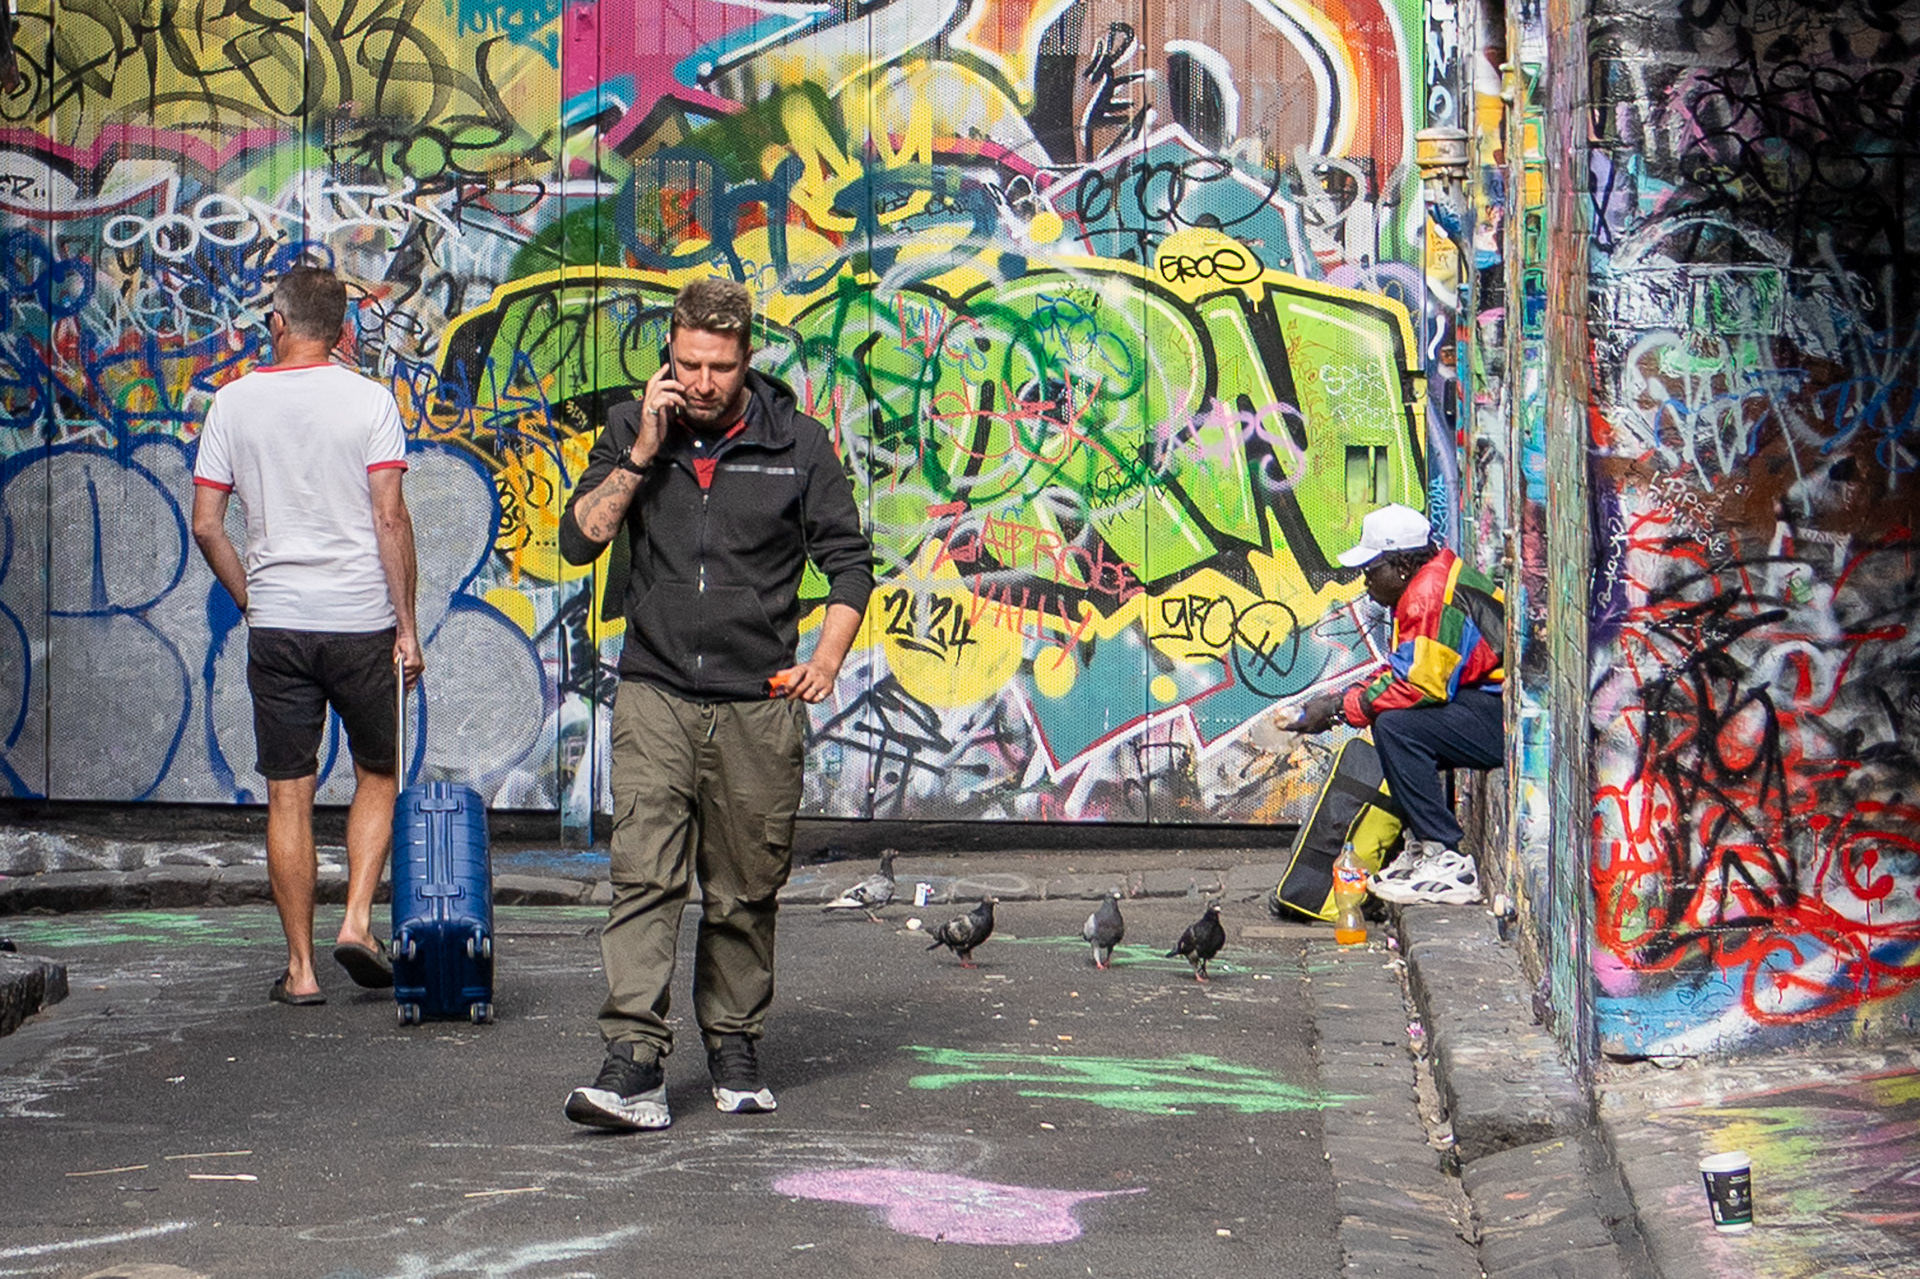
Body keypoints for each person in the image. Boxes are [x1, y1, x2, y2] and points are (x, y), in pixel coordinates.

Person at [556, 277, 873, 1132]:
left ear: (746, 361)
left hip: (756, 705)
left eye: (720, 367)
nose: (701, 381)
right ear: (670, 350)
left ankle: (734, 1042)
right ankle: (634, 1061)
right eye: (688, 362)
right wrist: (642, 452)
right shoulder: (631, 429)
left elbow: (849, 561)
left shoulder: (797, 445)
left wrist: (827, 659)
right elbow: (577, 537)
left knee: (743, 886)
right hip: (655, 688)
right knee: (643, 878)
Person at [191, 265, 424, 1005]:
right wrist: (408, 626)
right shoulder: (370, 402)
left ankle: (301, 969)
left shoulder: (232, 402)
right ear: (345, 332)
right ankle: (356, 919)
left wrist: (252, 598)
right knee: (376, 774)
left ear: (278, 323)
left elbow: (206, 522)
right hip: (360, 621)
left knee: (288, 795)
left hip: (280, 623)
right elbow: (390, 516)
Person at [1291, 504, 1503, 906]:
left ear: (1401, 565)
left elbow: (1421, 686)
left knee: (1397, 727)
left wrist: (1339, 706)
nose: (1365, 582)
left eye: (1371, 571)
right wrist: (1347, 701)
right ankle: (1425, 846)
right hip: (1489, 708)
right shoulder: (1432, 576)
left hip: (1500, 722)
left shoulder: (1426, 596)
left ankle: (1446, 856)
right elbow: (1408, 670)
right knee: (1393, 722)